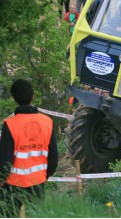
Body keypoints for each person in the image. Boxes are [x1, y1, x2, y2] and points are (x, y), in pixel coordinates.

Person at [0, 79, 58, 217]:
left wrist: (1, 180)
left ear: (14, 99)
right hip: (37, 182)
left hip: (12, 185)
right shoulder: (47, 122)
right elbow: (54, 157)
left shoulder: (9, 124)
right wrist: (45, 175)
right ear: (33, 96)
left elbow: (5, 160)